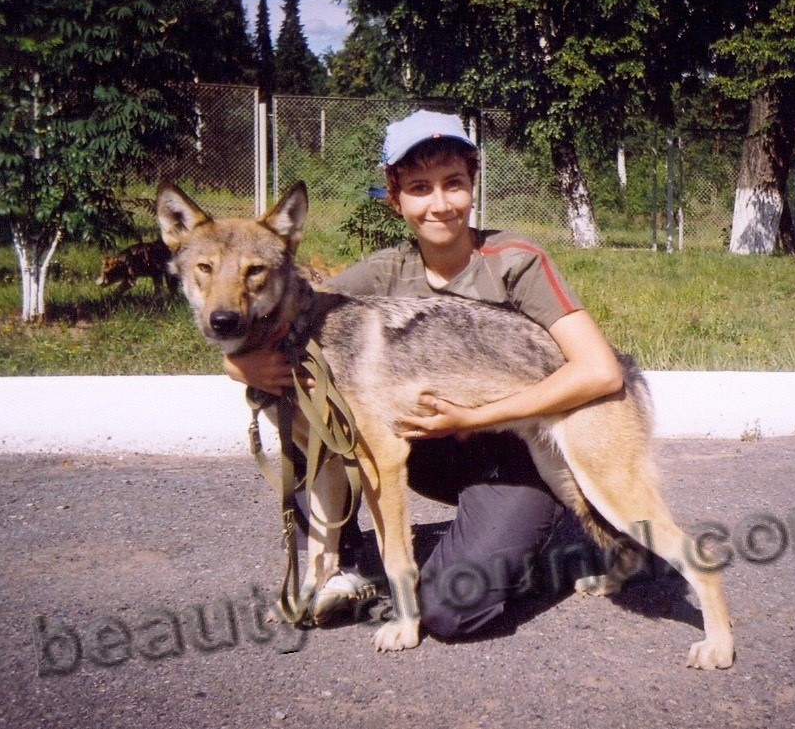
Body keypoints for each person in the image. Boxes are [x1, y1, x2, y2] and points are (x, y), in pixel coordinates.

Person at [223, 110, 624, 639]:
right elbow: (288, 311)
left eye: (453, 183)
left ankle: (548, 539)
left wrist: (477, 415)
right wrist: (238, 362)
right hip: (434, 446)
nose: (440, 203)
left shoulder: (514, 260)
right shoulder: (386, 270)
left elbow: (599, 372)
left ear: (472, 186)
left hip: (518, 450)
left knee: (450, 613)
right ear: (396, 199)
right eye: (419, 187)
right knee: (300, 399)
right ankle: (337, 565)